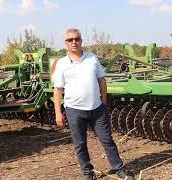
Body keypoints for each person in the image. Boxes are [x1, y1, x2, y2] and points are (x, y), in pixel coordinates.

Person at [53, 28, 134, 180]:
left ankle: (119, 169)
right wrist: (58, 113)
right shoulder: (62, 64)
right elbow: (57, 90)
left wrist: (103, 101)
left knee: (107, 140)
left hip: (97, 109)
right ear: (66, 44)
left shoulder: (92, 58)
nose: (74, 42)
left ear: (81, 41)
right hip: (74, 111)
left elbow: (102, 80)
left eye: (76, 39)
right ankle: (88, 174)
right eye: (70, 40)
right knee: (80, 145)